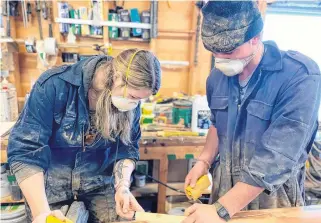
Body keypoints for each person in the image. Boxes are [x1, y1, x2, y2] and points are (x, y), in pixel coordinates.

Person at [184, 1, 321, 223]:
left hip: (273, 202)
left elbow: (278, 156)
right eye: (214, 50)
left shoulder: (299, 76)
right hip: (224, 192)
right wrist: (204, 162)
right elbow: (217, 123)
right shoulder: (217, 78)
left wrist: (221, 210)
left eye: (228, 50)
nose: (221, 58)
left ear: (255, 38)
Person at [7, 49, 161, 223]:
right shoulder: (54, 85)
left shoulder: (129, 104)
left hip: (100, 187)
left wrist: (123, 187)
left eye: (139, 100)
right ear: (116, 76)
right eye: (133, 96)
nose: (134, 104)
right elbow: (26, 151)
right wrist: (41, 213)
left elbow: (127, 149)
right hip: (50, 189)